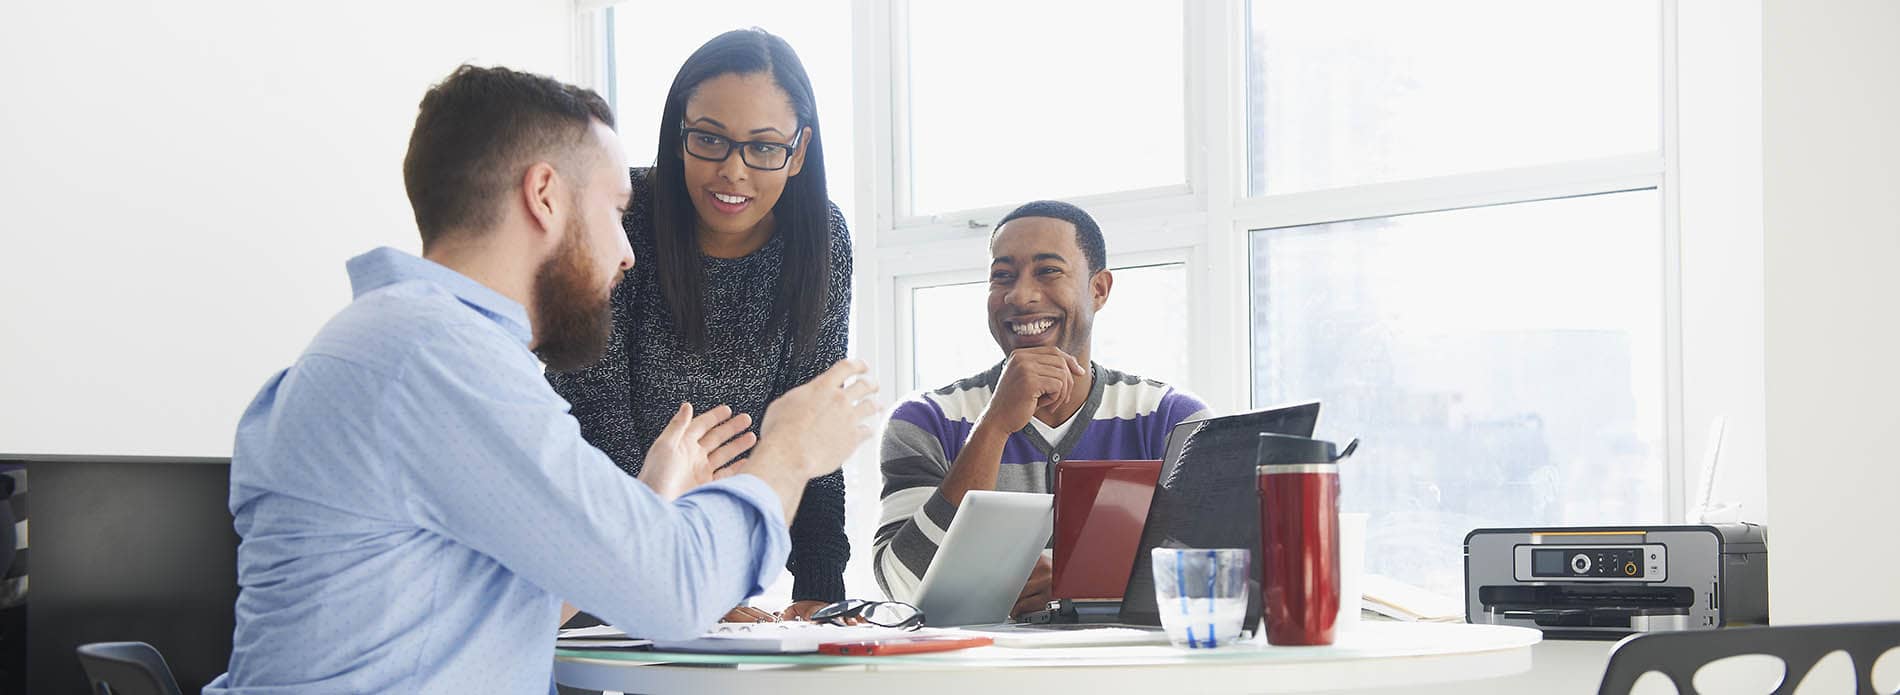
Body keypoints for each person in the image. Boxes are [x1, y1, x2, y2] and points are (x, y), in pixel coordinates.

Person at [204, 65, 878, 693]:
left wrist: (648, 496)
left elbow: (486, 598)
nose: (628, 251)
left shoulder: (387, 344)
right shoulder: (444, 363)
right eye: (616, 212)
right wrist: (786, 452)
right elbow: (675, 590)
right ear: (545, 196)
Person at [547, 28, 853, 622]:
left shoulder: (821, 239)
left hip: (707, 558)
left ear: (799, 149)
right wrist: (698, 585)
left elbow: (810, 427)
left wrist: (820, 592)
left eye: (764, 148)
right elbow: (591, 413)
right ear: (678, 134)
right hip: (587, 544)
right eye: (709, 139)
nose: (733, 171)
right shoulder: (623, 222)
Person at [871, 200, 1210, 617]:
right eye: (1002, 276)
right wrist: (994, 425)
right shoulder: (926, 421)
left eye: (1048, 270)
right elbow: (901, 586)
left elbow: (1217, 577)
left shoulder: (1172, 420)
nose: (1021, 295)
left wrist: (1083, 582)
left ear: (1099, 289)